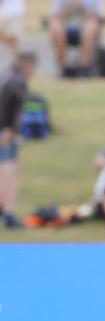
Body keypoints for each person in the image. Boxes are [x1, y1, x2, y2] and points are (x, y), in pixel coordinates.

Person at [0, 51, 36, 230]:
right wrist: (11, 129)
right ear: (27, 66)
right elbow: (17, 108)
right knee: (9, 169)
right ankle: (8, 213)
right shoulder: (18, 81)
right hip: (5, 129)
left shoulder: (6, 75)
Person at [49, 0, 105, 78]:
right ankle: (64, 68)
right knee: (55, 27)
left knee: (90, 27)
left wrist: (82, 7)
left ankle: (84, 67)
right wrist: (70, 7)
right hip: (66, 30)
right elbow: (55, 16)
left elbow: (100, 17)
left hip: (88, 30)